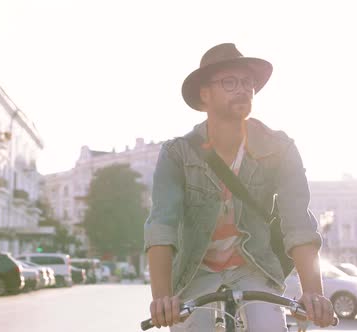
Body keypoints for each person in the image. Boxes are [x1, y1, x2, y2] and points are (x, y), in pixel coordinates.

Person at [143, 43, 336, 331]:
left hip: (254, 267)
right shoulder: (176, 154)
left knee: (270, 327)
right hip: (194, 272)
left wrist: (313, 293)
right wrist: (162, 298)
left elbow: (297, 222)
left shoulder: (279, 148)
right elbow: (161, 224)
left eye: (248, 83)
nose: (243, 89)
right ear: (204, 94)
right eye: (230, 82)